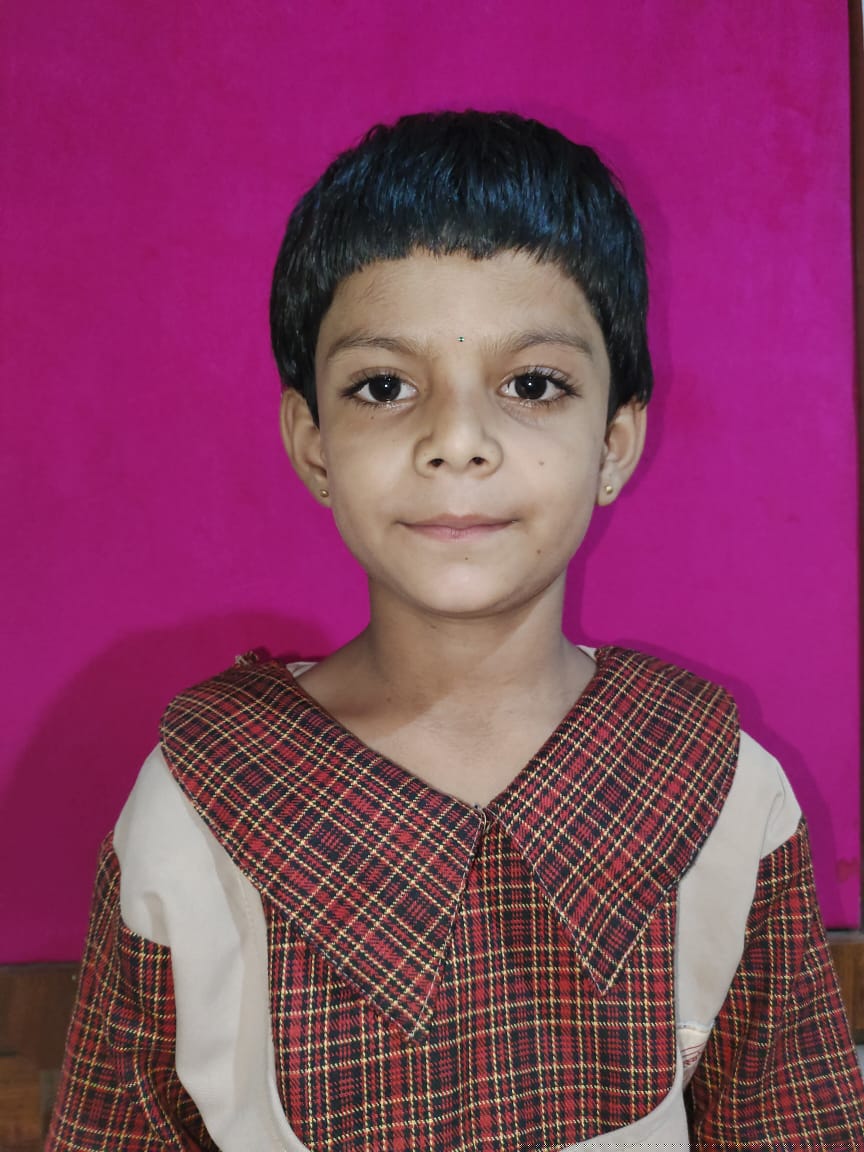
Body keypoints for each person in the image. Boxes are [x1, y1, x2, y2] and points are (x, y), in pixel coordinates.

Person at [48, 111, 864, 1150]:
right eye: (385, 387)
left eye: (534, 385)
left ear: (614, 443)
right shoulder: (192, 808)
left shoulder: (729, 796)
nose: (458, 441)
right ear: (314, 444)